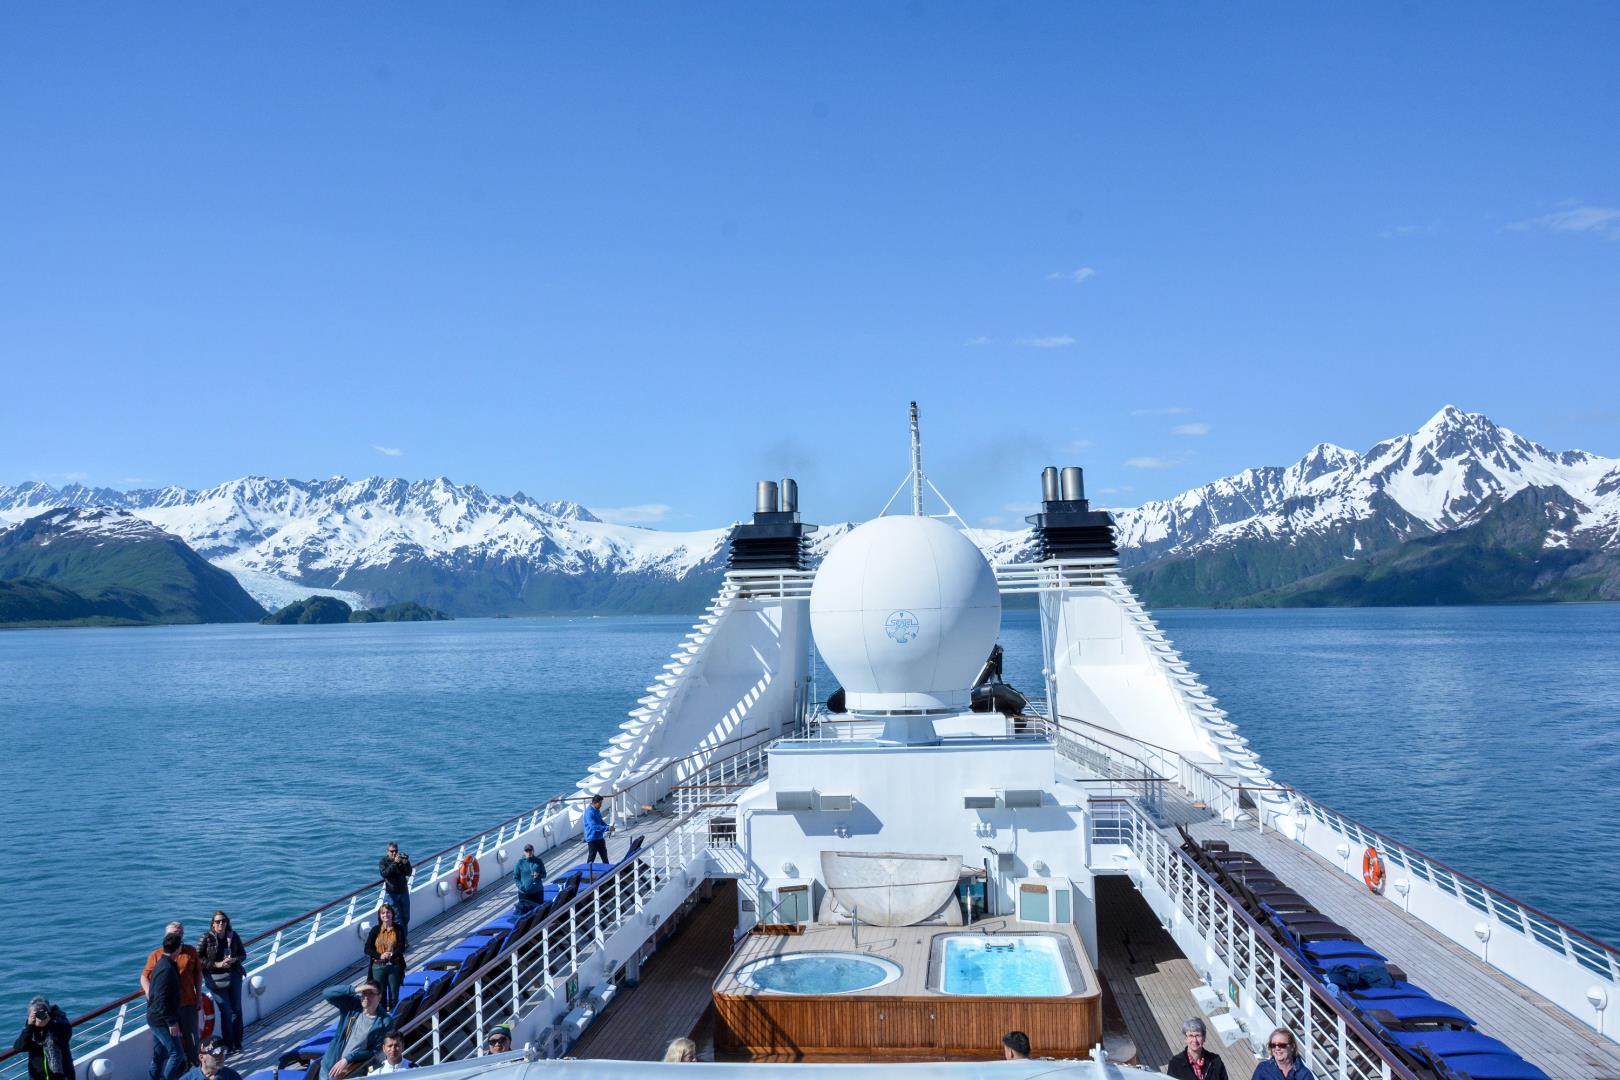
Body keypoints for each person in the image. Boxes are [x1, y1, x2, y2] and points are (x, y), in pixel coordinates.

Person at [142, 923, 202, 1065]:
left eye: (180, 933)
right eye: (173, 934)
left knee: (192, 1038)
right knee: (165, 1048)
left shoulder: (191, 951)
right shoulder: (156, 955)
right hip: (167, 1009)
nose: (177, 936)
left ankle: (195, 1067)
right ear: (166, 936)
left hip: (188, 1003)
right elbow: (144, 976)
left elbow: (198, 974)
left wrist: (198, 996)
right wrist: (151, 995)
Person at [197, 912, 247, 1054]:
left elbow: (243, 954)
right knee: (226, 1011)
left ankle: (238, 1043)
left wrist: (234, 960)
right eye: (218, 921)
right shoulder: (206, 938)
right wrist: (217, 964)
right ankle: (228, 1044)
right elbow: (198, 958)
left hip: (234, 977)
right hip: (216, 981)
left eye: (223, 921)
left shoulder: (233, 935)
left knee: (237, 1010)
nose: (221, 924)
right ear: (212, 923)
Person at [319, 981, 391, 1080]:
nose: (366, 997)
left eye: (371, 993)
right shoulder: (352, 1006)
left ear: (379, 996)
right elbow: (327, 993)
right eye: (364, 993)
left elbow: (374, 1051)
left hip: (354, 1069)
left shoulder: (385, 1022)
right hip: (330, 1064)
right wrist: (354, 989)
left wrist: (348, 1059)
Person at [145, 930, 188, 1080]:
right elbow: (161, 999)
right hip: (161, 1019)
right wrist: (171, 1022)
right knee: (177, 1053)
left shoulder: (164, 963)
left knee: (159, 1055)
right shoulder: (167, 968)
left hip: (156, 1016)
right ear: (178, 948)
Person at [14, 997, 74, 1080]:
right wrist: (30, 1027)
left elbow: (62, 1040)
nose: (39, 1016)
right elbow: (19, 1047)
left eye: (42, 1013)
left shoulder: (60, 1023)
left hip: (62, 1075)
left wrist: (49, 1025)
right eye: (36, 1014)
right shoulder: (31, 1028)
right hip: (38, 1077)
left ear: (48, 1012)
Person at [364, 905, 408, 1011]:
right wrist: (380, 955)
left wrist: (391, 955)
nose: (386, 915)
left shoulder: (399, 929)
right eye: (383, 913)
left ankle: (394, 1017)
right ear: (380, 916)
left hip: (394, 966)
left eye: (388, 912)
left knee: (394, 993)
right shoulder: (375, 930)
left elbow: (401, 947)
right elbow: (367, 949)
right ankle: (383, 1017)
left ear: (392, 914)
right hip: (378, 967)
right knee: (380, 994)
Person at [379, 844, 413, 932]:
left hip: (403, 892)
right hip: (392, 894)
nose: (394, 853)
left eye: (396, 851)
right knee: (397, 918)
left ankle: (404, 938)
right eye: (392, 851)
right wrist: (395, 863)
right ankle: (401, 941)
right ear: (387, 851)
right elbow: (385, 874)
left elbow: (408, 872)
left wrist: (406, 863)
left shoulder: (401, 860)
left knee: (406, 917)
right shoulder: (384, 861)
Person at [513, 843, 547, 918]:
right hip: (524, 894)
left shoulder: (538, 861)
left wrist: (539, 875)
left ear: (533, 851)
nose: (528, 852)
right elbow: (516, 877)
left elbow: (544, 874)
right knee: (525, 915)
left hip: (537, 892)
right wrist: (521, 887)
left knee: (539, 913)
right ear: (524, 852)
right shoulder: (520, 863)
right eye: (526, 850)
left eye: (530, 850)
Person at [582, 796, 612, 872]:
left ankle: (608, 871)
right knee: (592, 857)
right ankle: (587, 872)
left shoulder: (597, 810)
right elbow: (593, 826)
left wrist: (607, 826)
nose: (601, 805)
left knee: (604, 856)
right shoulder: (589, 812)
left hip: (599, 837)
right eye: (600, 803)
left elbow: (600, 821)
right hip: (592, 838)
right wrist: (606, 829)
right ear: (595, 803)